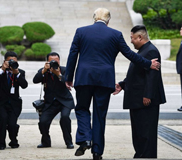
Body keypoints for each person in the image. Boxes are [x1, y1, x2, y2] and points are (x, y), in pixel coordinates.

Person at [65, 8, 160, 160]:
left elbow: (72, 55)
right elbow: (129, 54)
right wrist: (148, 64)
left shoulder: (81, 31)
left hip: (84, 78)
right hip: (104, 80)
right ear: (108, 21)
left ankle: (84, 138)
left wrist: (68, 77)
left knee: (82, 109)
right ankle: (97, 152)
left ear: (94, 18)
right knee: (99, 115)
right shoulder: (115, 34)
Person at [113, 25, 166, 158]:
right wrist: (122, 84)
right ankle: (140, 154)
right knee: (138, 131)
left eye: (132, 38)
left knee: (146, 131)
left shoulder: (151, 51)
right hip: (137, 99)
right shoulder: (143, 50)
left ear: (140, 37)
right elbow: (137, 74)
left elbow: (152, 76)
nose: (131, 41)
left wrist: (148, 95)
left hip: (145, 100)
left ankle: (146, 155)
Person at [33, 52, 75, 149]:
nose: (54, 63)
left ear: (59, 61)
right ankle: (46, 142)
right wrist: (44, 70)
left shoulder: (64, 70)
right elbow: (35, 80)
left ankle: (69, 142)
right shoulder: (44, 71)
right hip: (50, 102)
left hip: (65, 101)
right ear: (47, 61)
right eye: (51, 61)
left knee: (65, 118)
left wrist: (59, 74)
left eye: (56, 61)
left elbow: (68, 81)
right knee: (43, 122)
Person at [0, 51, 28, 150]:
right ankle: (0, 142)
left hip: (14, 103)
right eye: (9, 61)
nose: (11, 63)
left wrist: (17, 74)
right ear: (4, 61)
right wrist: (2, 69)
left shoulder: (20, 72)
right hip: (0, 102)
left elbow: (24, 85)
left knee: (12, 123)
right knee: (3, 119)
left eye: (14, 61)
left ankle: (13, 140)